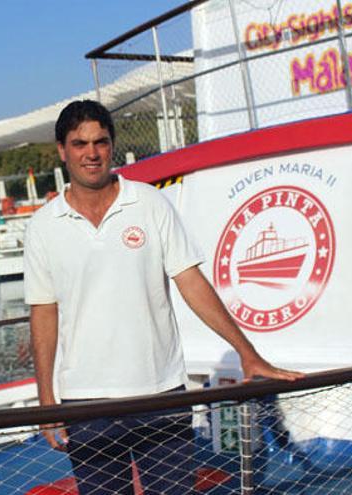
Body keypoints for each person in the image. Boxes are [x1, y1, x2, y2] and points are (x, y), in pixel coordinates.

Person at [24, 100, 303, 494]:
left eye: (100, 142)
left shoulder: (150, 203)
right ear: (62, 150)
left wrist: (247, 352)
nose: (91, 153)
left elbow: (191, 282)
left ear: (112, 145)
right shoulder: (43, 226)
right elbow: (44, 313)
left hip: (160, 392)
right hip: (86, 403)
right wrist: (47, 402)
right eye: (79, 143)